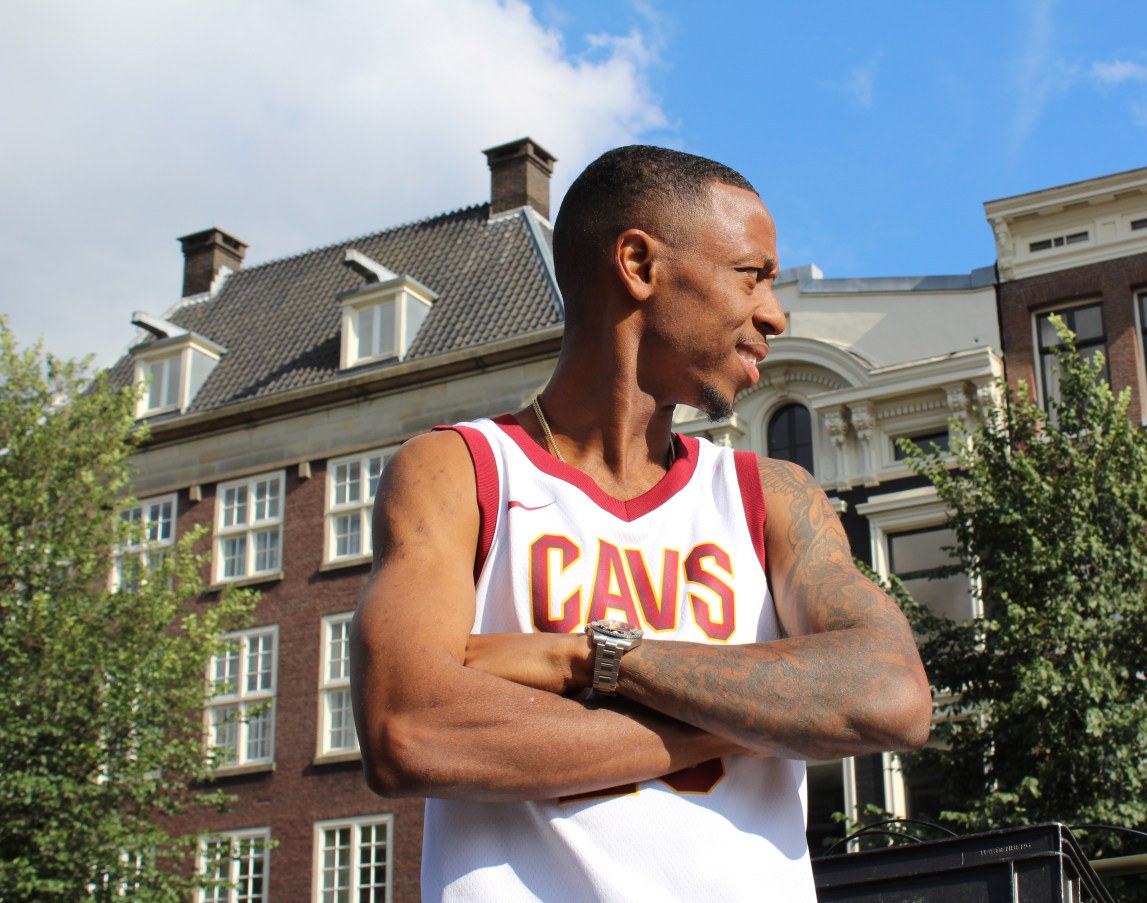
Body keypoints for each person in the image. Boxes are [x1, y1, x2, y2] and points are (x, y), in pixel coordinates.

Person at [351, 145, 932, 902]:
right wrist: (769, 717)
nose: (774, 314)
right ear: (638, 263)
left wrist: (590, 657)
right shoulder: (460, 470)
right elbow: (409, 730)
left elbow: (891, 694)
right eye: (751, 275)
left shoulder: (772, 494)